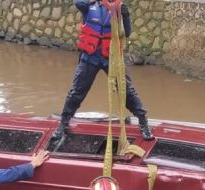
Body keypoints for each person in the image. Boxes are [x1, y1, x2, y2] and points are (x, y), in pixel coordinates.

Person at [53, 0, 154, 142]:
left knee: (127, 91)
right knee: (76, 92)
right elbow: (77, 3)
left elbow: (128, 32)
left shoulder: (119, 8)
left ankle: (143, 122)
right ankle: (63, 123)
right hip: (90, 57)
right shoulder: (89, 6)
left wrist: (124, 15)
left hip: (112, 58)